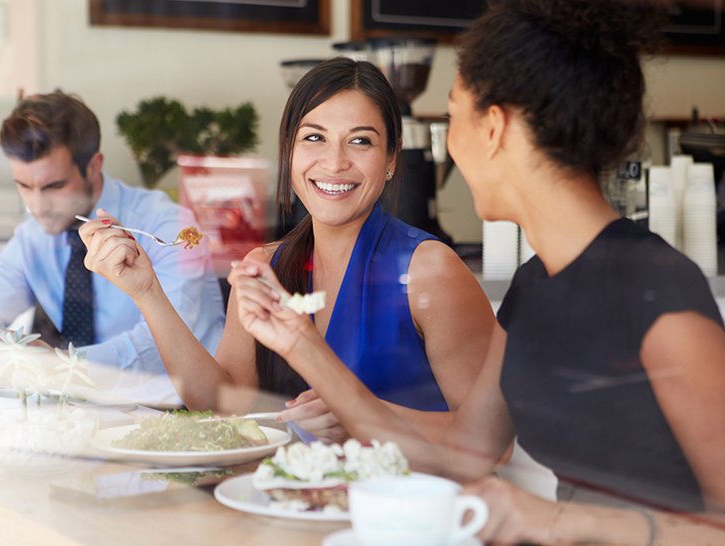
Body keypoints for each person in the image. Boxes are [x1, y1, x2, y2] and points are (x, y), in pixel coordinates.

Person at [232, 1, 725, 543]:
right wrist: (300, 344)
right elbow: (462, 457)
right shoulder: (536, 286)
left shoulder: (654, 288)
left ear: (494, 127)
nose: (450, 145)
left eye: (452, 115)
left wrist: (560, 520)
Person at [78, 58, 496, 441]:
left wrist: (359, 415)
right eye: (314, 137)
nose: (334, 163)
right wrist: (146, 292)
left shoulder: (429, 271)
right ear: (289, 151)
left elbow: (487, 444)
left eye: (361, 142)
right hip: (294, 506)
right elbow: (222, 406)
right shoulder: (264, 266)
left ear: (391, 159)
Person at [0, 90, 225, 406]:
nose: (37, 206)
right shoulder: (31, 238)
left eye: (54, 186)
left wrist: (64, 366)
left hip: (186, 411)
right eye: (24, 186)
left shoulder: (168, 227)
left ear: (93, 166)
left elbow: (164, 346)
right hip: (90, 414)